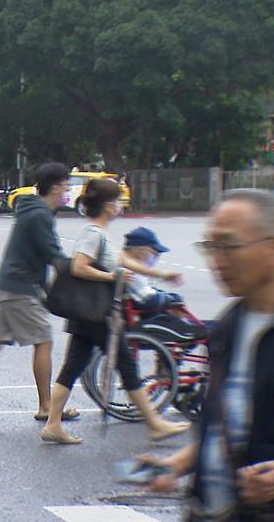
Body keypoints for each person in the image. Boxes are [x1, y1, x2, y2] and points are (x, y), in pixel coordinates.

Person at [143, 189, 274, 522]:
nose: (218, 260)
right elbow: (224, 426)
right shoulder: (228, 327)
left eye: (229, 246)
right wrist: (177, 464)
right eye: (211, 246)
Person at [41, 178, 190, 444]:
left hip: (89, 314)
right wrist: (113, 278)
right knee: (127, 365)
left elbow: (124, 262)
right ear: (109, 206)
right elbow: (79, 267)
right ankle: (155, 423)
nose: (121, 205)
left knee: (72, 367)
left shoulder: (101, 234)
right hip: (96, 313)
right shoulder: (92, 233)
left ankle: (53, 424)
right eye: (119, 201)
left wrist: (161, 273)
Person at [0, 162, 71, 420]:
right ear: (55, 187)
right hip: (20, 289)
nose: (68, 191)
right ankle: (46, 407)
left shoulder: (34, 210)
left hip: (10, 287)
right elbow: (53, 255)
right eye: (66, 185)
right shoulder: (39, 215)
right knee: (43, 340)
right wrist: (81, 270)